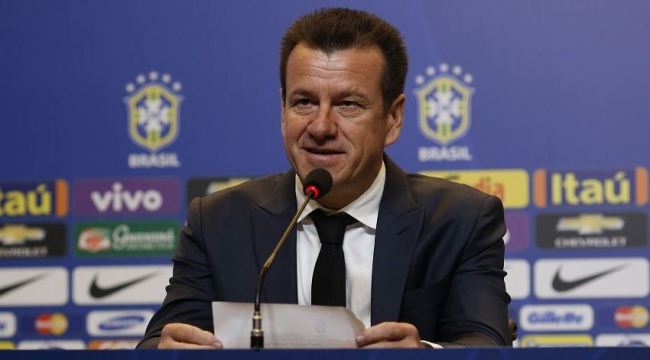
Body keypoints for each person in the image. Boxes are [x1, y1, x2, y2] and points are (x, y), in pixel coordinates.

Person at [137, 7, 511, 349]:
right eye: (304, 102)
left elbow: (487, 344)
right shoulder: (218, 222)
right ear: (283, 110)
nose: (320, 126)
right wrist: (166, 351)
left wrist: (422, 356)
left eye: (348, 104)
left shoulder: (460, 220)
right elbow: (160, 340)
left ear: (393, 118)